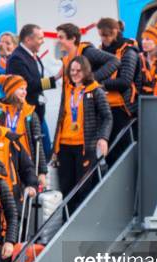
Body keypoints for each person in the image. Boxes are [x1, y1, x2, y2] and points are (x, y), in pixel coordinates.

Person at [52, 56, 112, 212]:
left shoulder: (95, 90)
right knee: (65, 188)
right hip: (64, 146)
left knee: (82, 188)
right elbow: (61, 118)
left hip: (84, 147)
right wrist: (54, 149)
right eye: (72, 70)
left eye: (78, 70)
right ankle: (65, 225)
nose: (75, 73)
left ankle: (79, 226)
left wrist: (103, 138)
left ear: (86, 71)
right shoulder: (68, 90)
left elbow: (107, 116)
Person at [6, 23, 61, 157]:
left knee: (46, 149)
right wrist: (56, 78)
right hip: (28, 115)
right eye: (40, 38)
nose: (43, 42)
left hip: (38, 111)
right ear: (28, 40)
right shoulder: (17, 58)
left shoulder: (31, 55)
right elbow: (29, 85)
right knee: (40, 152)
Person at [96, 18, 140, 141]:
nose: (103, 39)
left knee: (122, 145)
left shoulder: (128, 50)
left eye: (106, 36)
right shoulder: (100, 50)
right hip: (105, 104)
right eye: (101, 36)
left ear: (115, 32)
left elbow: (125, 81)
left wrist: (100, 85)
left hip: (123, 106)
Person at [55, 23, 120, 86]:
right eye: (57, 38)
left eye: (61, 37)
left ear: (72, 38)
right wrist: (44, 85)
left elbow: (115, 60)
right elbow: (56, 78)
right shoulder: (67, 59)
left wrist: (92, 79)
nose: (58, 41)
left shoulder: (88, 52)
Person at [139, 22, 157, 95]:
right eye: (143, 39)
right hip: (139, 101)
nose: (143, 42)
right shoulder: (138, 58)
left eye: (148, 39)